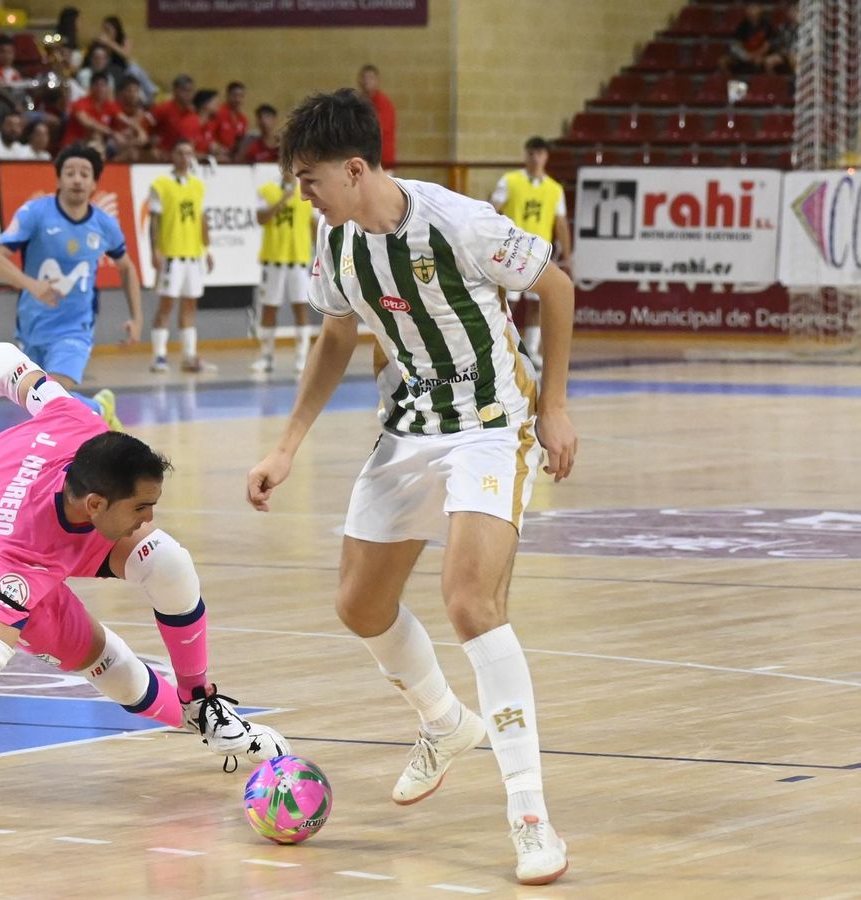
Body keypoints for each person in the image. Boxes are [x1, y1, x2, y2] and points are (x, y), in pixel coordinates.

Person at [245, 89, 578, 886]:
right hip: (410, 427)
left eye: (309, 178)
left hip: (493, 423)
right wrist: (288, 444)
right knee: (359, 605)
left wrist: (557, 407)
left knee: (469, 602)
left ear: (355, 169)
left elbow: (556, 287)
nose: (302, 193)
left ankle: (530, 816)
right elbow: (335, 334)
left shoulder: (458, 222)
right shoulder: (335, 243)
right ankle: (444, 722)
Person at [0, 341, 289, 831]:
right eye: (141, 508)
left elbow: (1, 359)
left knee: (165, 558)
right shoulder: (19, 561)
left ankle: (199, 700)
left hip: (29, 500)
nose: (150, 517)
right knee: (104, 659)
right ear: (97, 505)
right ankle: (187, 719)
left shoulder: (78, 421)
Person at [0, 144, 141, 429]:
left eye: (85, 174)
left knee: (53, 393)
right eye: (70, 173)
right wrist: (33, 286)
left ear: (95, 183)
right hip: (32, 324)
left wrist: (136, 318)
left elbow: (127, 268)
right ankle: (98, 407)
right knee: (40, 401)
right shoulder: (35, 212)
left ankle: (70, 457)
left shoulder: (104, 224)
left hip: (75, 327)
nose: (77, 179)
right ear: (58, 179)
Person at [490, 136, 570, 367]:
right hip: (512, 252)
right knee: (508, 303)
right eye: (531, 153)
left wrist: (567, 256)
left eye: (540, 153)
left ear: (546, 157)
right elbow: (492, 209)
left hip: (539, 253)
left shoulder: (555, 189)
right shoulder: (510, 181)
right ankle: (501, 347)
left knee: (536, 303)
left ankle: (532, 350)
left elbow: (561, 223)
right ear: (526, 155)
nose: (535, 158)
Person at [147, 139, 212, 373]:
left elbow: (201, 219)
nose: (185, 157)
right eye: (180, 152)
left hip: (193, 256)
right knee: (166, 305)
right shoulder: (160, 184)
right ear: (172, 156)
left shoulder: (197, 185)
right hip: (171, 256)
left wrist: (207, 250)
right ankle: (159, 356)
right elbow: (153, 221)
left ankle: (188, 356)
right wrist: (154, 250)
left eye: (189, 152)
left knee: (190, 306)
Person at [252, 169, 316, 375]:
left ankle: (301, 358)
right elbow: (261, 218)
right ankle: (266, 357)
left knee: (300, 308)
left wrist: (322, 256)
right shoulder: (267, 190)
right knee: (269, 308)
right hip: (273, 259)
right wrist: (282, 199)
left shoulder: (307, 191)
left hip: (298, 259)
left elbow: (314, 226)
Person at [357, 64, 396, 169]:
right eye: (364, 78)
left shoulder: (385, 104)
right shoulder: (356, 102)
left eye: (370, 78)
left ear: (377, 80)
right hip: (361, 160)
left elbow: (379, 130)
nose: (366, 82)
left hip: (382, 162)